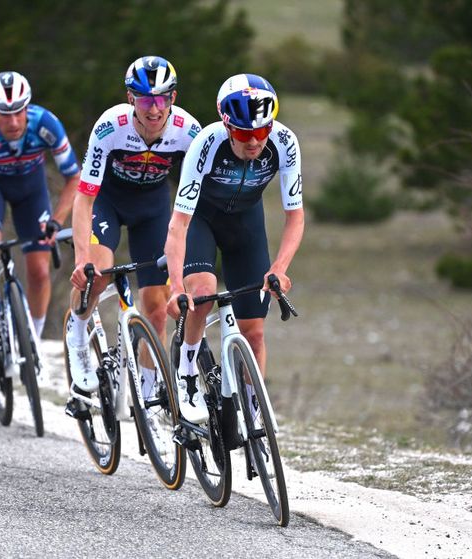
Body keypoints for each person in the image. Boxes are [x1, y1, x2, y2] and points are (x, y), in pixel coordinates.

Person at [164, 73, 304, 424]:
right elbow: (179, 223)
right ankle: (186, 373)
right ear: (227, 126)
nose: (255, 141)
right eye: (244, 134)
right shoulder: (207, 143)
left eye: (262, 131)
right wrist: (174, 285)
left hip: (246, 224)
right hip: (202, 221)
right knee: (203, 293)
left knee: (254, 331)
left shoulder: (285, 141)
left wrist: (280, 268)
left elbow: (295, 217)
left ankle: (255, 412)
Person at [65, 55, 201, 396]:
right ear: (130, 99)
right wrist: (81, 259)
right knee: (98, 273)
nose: (153, 110)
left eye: (161, 99)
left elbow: (201, 197)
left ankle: (147, 392)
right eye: (144, 99)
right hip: (108, 203)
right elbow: (84, 197)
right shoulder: (110, 126)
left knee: (156, 308)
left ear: (173, 98)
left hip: (153, 210)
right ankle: (77, 334)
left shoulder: (189, 131)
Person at [0, 71, 80, 362]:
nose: (12, 121)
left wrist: (57, 220)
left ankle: (32, 337)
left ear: (27, 107)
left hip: (30, 188)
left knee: (39, 269)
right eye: (3, 114)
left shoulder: (46, 124)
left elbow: (74, 178)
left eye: (18, 112)